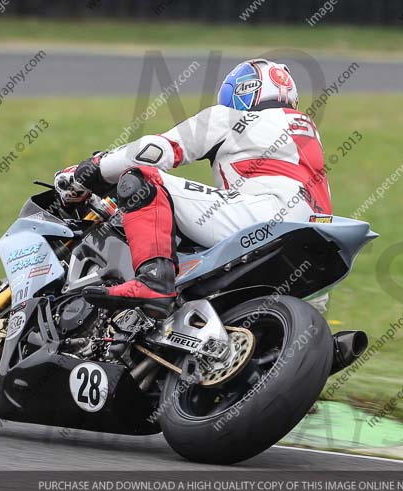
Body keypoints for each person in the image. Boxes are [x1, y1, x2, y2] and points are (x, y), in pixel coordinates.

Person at [55, 58, 331, 315]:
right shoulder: (306, 129)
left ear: (243, 91)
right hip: (318, 236)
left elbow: (155, 151)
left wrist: (92, 168)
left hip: (262, 219)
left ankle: (153, 281)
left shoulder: (232, 117)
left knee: (142, 178)